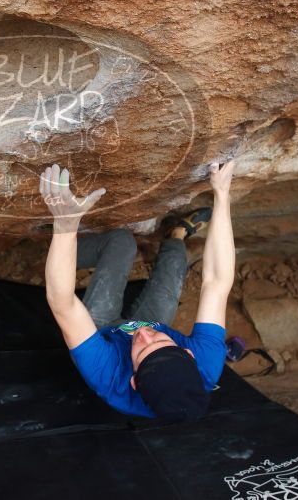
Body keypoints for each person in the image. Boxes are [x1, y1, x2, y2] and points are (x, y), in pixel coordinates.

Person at [39, 161, 235, 421]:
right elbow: (217, 282)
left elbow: (63, 303)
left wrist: (64, 225)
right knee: (174, 268)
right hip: (155, 329)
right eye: (163, 341)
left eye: (142, 351)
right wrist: (222, 193)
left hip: (103, 330)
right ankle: (176, 233)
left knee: (121, 242)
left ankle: (53, 250)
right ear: (189, 354)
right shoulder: (207, 361)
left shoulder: (110, 377)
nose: (142, 334)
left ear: (134, 382)